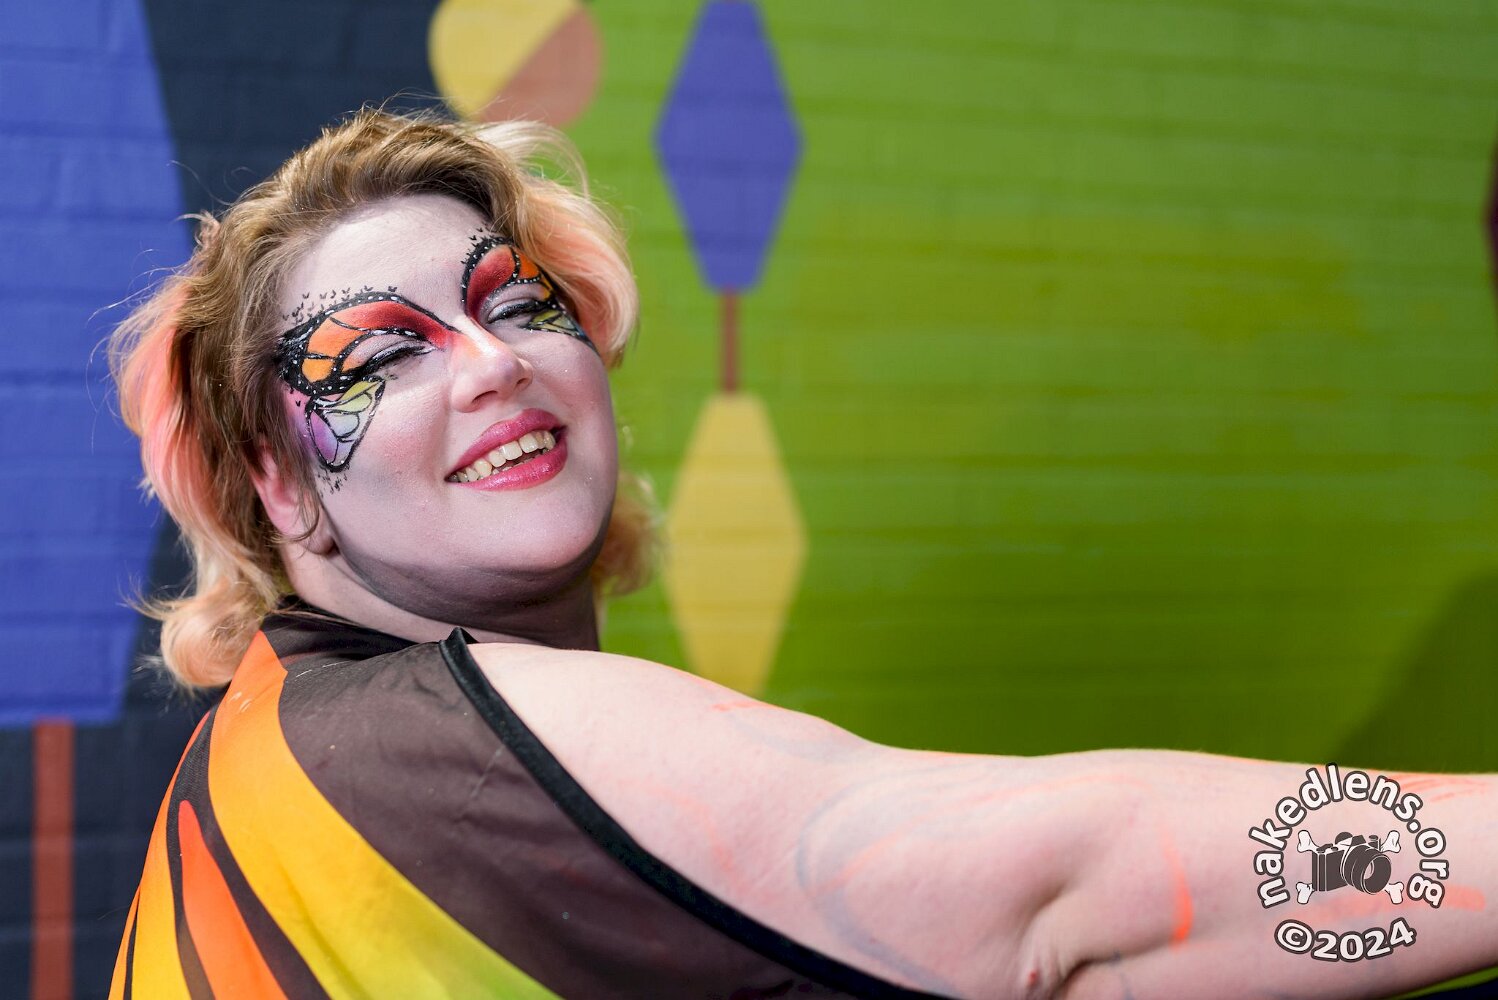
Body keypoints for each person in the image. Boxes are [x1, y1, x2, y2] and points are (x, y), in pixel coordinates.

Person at [106, 108, 1497, 1000]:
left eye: (516, 303)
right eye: (381, 356)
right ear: (278, 487)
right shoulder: (440, 742)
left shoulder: (284, 735)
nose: (491, 363)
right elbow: (1060, 902)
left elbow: (1080, 958)